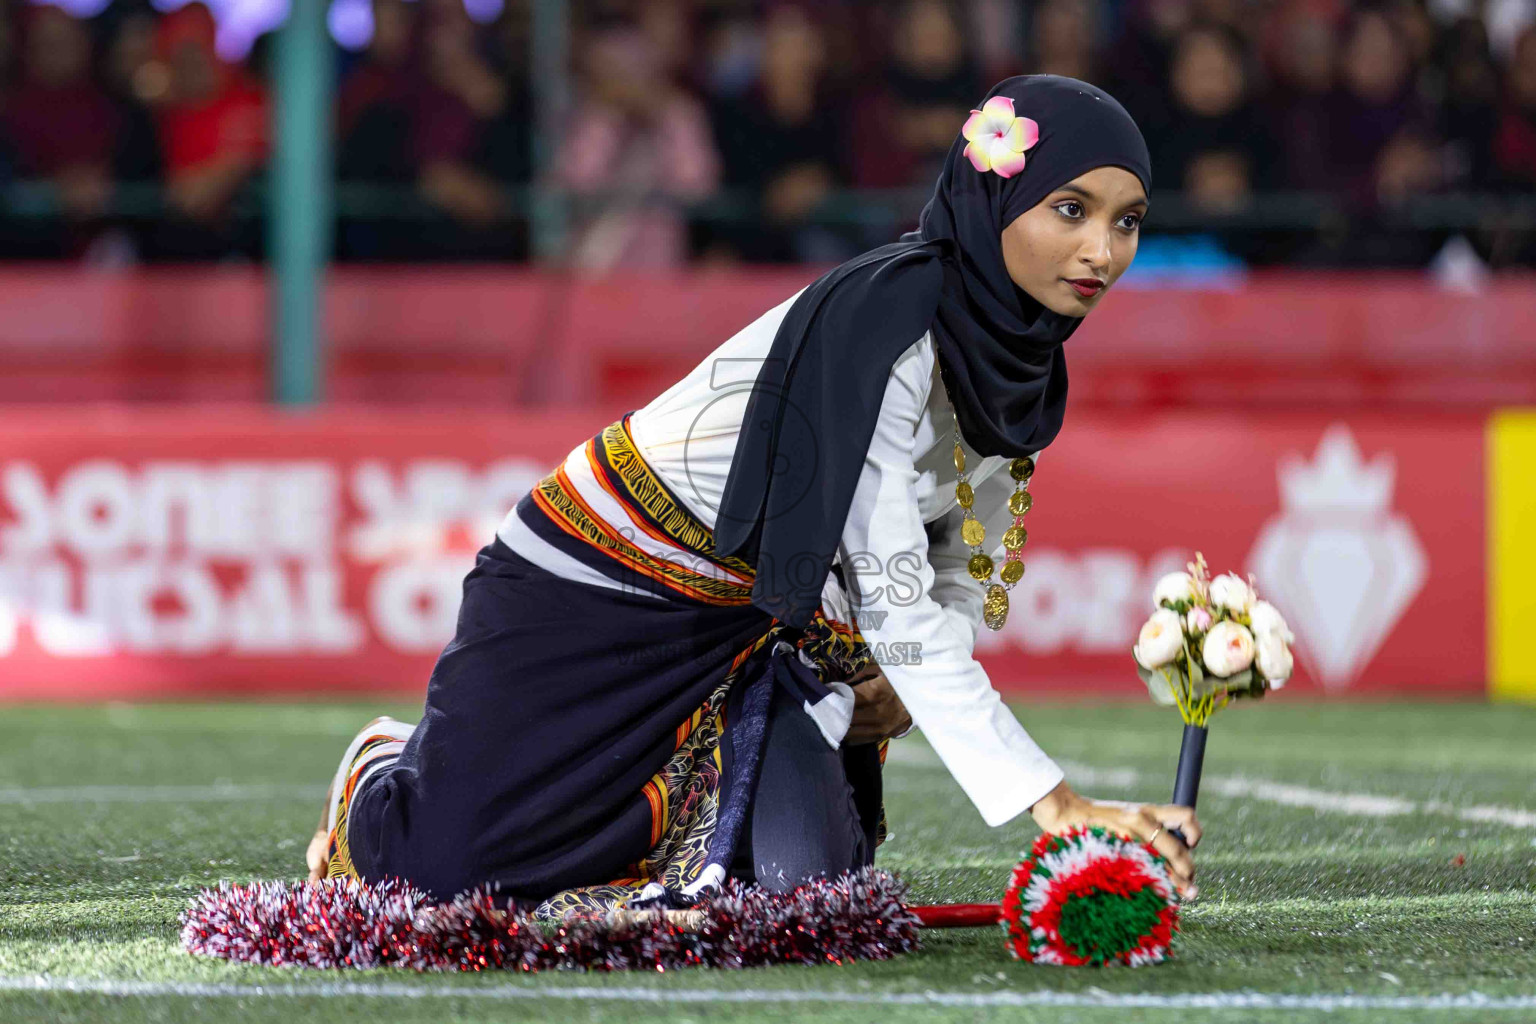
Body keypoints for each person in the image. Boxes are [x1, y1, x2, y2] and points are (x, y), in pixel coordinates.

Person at [306, 75, 1203, 917]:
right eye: (1072, 210)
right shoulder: (885, 329)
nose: (1101, 252)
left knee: (798, 895)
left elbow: (960, 562)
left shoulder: (1019, 358)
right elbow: (894, 595)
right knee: (437, 880)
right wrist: (1055, 805)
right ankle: (382, 764)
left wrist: (909, 668)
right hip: (590, 582)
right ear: (995, 197)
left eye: (1127, 222)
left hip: (750, 624)